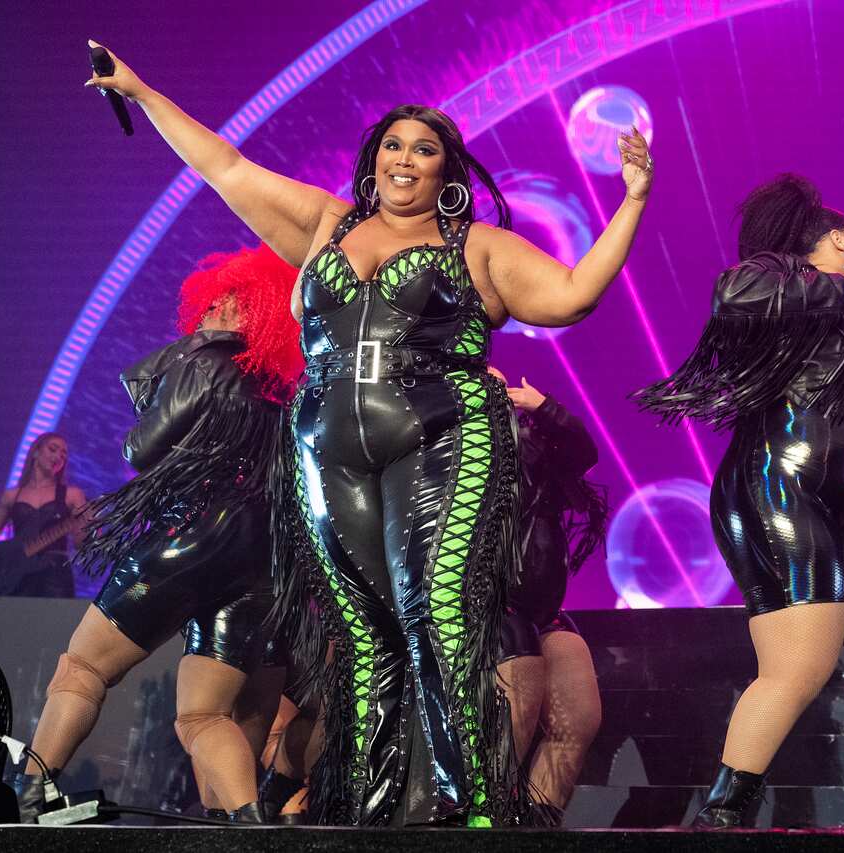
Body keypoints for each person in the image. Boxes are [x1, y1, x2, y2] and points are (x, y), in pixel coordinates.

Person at [83, 40, 652, 826]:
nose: (405, 158)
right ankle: (377, 808)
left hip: (442, 439)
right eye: (393, 144)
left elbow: (573, 295)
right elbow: (225, 168)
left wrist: (632, 199)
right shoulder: (324, 223)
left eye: (425, 149)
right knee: (363, 628)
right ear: (373, 160)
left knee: (438, 613)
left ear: (447, 171)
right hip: (327, 448)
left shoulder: (475, 247)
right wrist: (144, 92)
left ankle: (469, 808)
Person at [636, 174, 844, 828]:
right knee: (800, 663)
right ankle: (722, 818)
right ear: (834, 242)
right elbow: (734, 295)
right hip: (777, 489)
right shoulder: (777, 285)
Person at [14, 244, 304, 824]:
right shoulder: (282, 396)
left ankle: (30, 793)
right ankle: (247, 822)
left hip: (191, 535)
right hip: (260, 561)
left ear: (249, 310)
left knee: (83, 668)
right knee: (203, 717)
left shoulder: (205, 362)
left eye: (226, 300)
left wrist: (159, 393)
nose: (211, 309)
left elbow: (142, 450)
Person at [490, 370, 607, 826]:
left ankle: (537, 826)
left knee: (578, 721)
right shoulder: (452, 451)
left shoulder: (535, 447)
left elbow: (585, 453)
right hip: (492, 605)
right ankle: (488, 821)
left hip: (544, 606)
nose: (497, 388)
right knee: (508, 729)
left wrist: (545, 408)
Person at [0, 433, 87, 597]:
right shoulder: (12, 495)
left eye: (63, 454)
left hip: (55, 576)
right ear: (36, 452)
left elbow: (80, 543)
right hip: (18, 573)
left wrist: (89, 526)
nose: (58, 456)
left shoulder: (73, 495)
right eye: (53, 449)